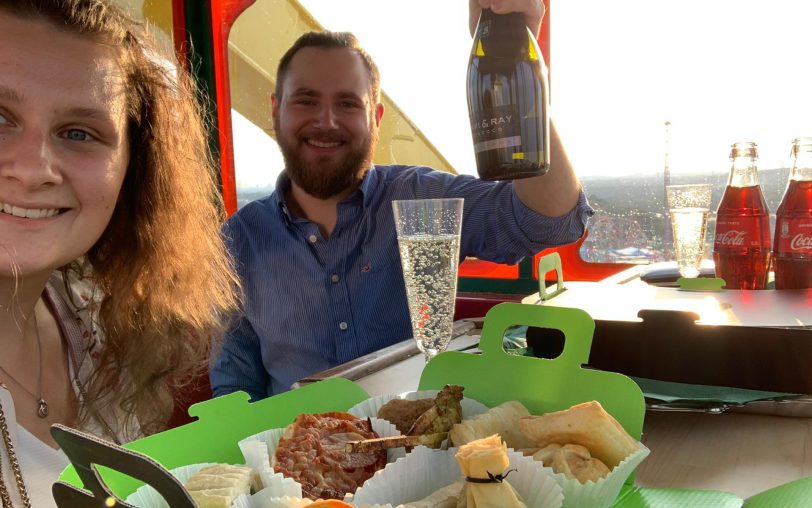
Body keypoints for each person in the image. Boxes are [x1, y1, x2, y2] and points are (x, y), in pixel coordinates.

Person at [211, 0, 592, 400]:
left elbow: (552, 219)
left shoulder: (422, 197)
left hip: (422, 443)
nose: (326, 120)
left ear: (375, 118)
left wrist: (520, 63)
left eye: (347, 103)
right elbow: (234, 384)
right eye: (306, 100)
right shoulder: (236, 242)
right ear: (276, 110)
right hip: (299, 454)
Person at [0, 0, 240, 505]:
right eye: (0, 118)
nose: (34, 169)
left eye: (79, 133)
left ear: (132, 171)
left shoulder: (94, 319)